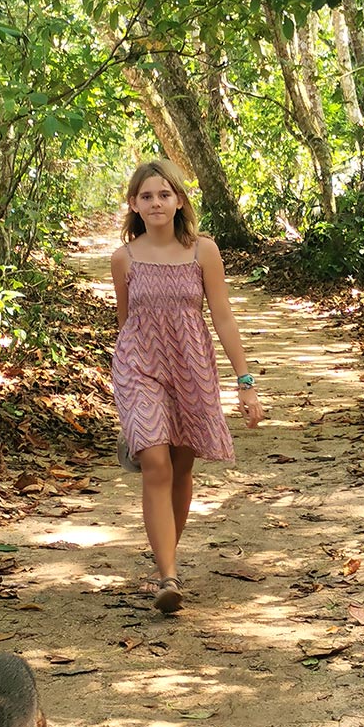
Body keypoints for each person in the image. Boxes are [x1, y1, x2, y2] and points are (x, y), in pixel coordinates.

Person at [111, 160, 264, 614]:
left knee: (181, 470)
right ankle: (168, 577)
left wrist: (245, 381)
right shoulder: (124, 258)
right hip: (139, 367)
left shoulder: (203, 251)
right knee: (156, 462)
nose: (155, 203)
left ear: (178, 199)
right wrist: (128, 402)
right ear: (134, 205)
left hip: (191, 369)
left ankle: (166, 563)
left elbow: (222, 316)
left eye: (163, 194)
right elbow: (126, 324)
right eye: (146, 196)